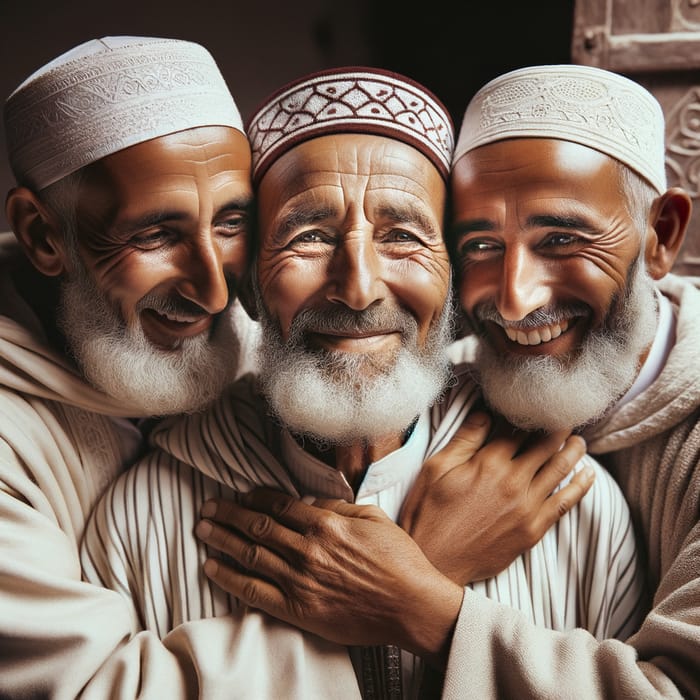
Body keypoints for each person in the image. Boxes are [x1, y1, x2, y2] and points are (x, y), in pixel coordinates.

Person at [81, 66, 645, 698]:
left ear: (452, 281)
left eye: (403, 236)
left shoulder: (571, 501)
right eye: (309, 236)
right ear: (249, 284)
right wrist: (414, 577)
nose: (358, 288)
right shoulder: (135, 520)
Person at [0, 35, 281, 698]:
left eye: (231, 220)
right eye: (155, 234)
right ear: (44, 236)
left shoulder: (235, 338)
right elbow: (91, 688)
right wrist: (404, 601)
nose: (215, 293)